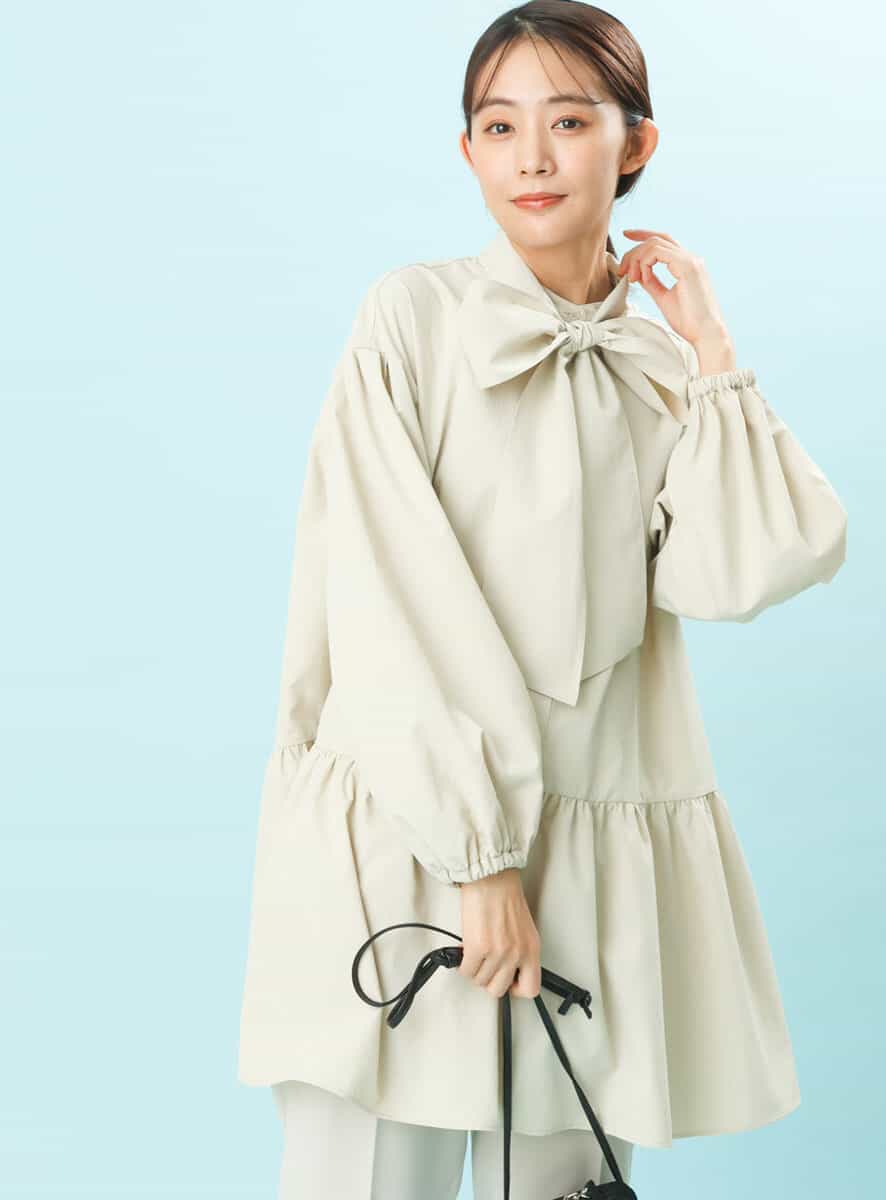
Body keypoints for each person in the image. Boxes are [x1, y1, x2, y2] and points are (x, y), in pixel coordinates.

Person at [237, 3, 849, 1197]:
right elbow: (387, 593)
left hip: (592, 851)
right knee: (365, 1176)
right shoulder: (413, 320)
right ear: (467, 150)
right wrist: (477, 861)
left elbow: (750, 564)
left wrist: (712, 354)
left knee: (567, 1183)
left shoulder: (661, 366)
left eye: (568, 122)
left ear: (635, 143)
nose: (531, 156)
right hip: (412, 833)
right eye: (498, 125)